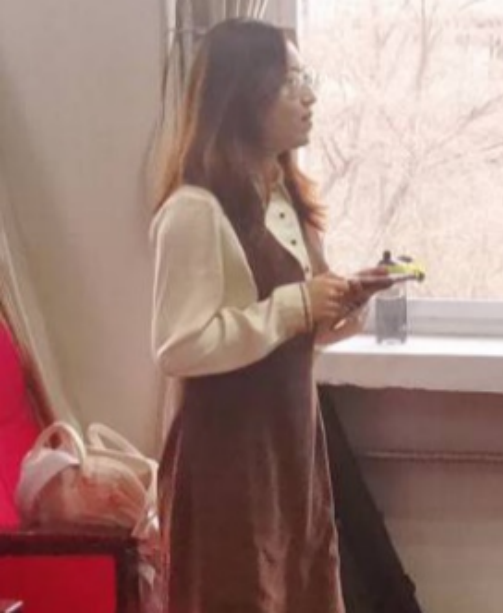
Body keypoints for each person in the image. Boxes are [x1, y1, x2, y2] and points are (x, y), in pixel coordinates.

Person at [149, 18, 389, 613]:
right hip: (228, 461)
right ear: (244, 94)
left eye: (308, 79)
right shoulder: (195, 210)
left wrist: (344, 302)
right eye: (290, 82)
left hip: (293, 452)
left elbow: (299, 332)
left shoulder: (287, 199)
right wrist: (294, 306)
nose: (309, 97)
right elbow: (180, 345)